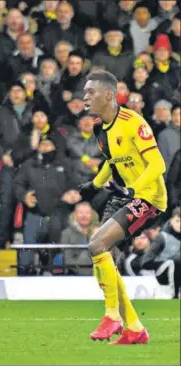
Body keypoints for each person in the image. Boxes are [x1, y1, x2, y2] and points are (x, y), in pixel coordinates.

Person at [79, 71, 167, 344]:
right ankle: (135, 328)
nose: (84, 97)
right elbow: (112, 160)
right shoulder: (98, 127)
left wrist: (135, 190)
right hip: (125, 196)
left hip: (148, 197)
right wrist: (95, 184)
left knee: (96, 245)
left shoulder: (133, 122)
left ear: (108, 95)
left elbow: (158, 165)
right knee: (105, 258)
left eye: (90, 92)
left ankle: (112, 316)